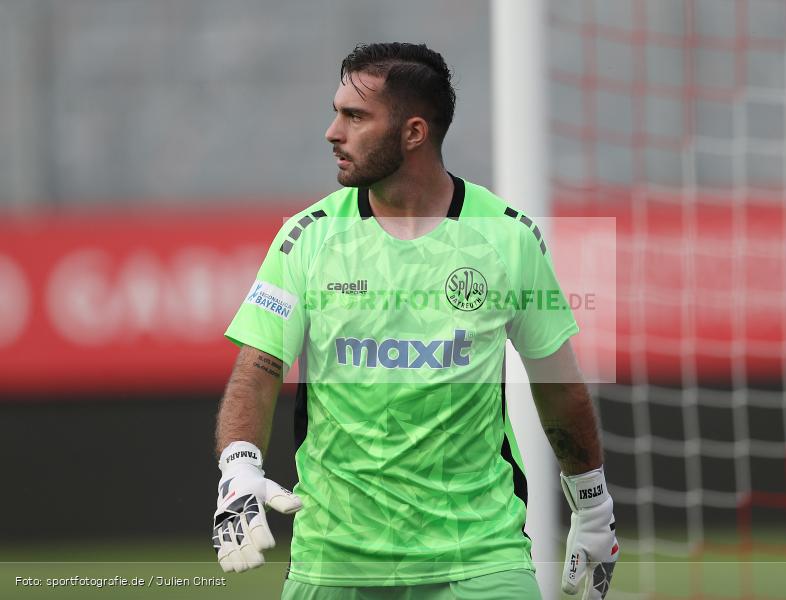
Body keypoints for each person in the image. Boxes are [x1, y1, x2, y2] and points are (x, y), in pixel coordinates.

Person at [212, 42, 618, 600]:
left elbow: (557, 384)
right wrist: (238, 467)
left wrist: (593, 506)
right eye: (336, 113)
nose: (333, 132)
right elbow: (259, 369)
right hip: (334, 561)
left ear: (414, 133)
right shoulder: (306, 237)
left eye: (355, 117)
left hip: (481, 557)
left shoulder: (508, 238)